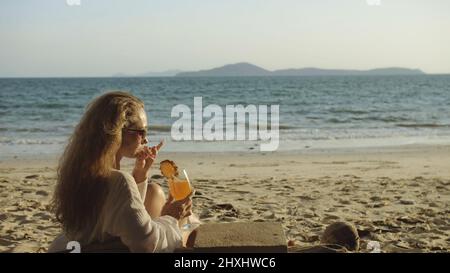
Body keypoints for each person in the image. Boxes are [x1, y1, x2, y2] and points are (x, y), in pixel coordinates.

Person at [48, 91, 193, 253]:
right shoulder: (118, 180)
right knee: (190, 225)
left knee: (154, 191)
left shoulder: (79, 174)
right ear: (118, 132)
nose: (145, 140)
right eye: (141, 132)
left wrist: (140, 174)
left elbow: (116, 216)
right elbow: (146, 244)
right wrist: (172, 218)